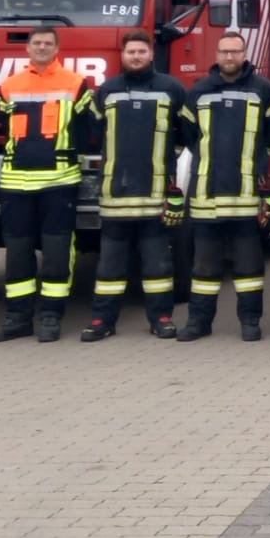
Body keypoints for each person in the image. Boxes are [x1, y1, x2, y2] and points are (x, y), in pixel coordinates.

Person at [82, 30, 194, 342]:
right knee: (109, 268)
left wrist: (169, 163)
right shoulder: (108, 90)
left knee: (158, 266)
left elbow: (188, 133)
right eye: (131, 51)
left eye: (141, 51)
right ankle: (102, 320)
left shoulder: (171, 89)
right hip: (115, 197)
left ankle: (161, 319)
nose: (136, 56)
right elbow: (94, 132)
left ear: (151, 54)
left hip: (156, 196)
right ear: (123, 55)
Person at [0, 28, 94, 344]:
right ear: (27, 48)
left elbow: (87, 129)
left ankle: (51, 316)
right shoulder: (9, 85)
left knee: (57, 250)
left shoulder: (75, 83)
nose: (42, 48)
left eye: (48, 43)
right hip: (15, 181)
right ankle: (17, 318)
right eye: (37, 43)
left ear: (57, 48)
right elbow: (4, 127)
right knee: (17, 251)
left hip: (59, 181)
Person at [179, 33, 270, 342]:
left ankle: (250, 322)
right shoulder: (199, 91)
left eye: (235, 51)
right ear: (217, 54)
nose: (229, 57)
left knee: (249, 266)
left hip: (246, 195)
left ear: (244, 54)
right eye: (224, 51)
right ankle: (199, 322)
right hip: (206, 196)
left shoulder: (263, 89)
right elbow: (188, 134)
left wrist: (257, 163)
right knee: (204, 267)